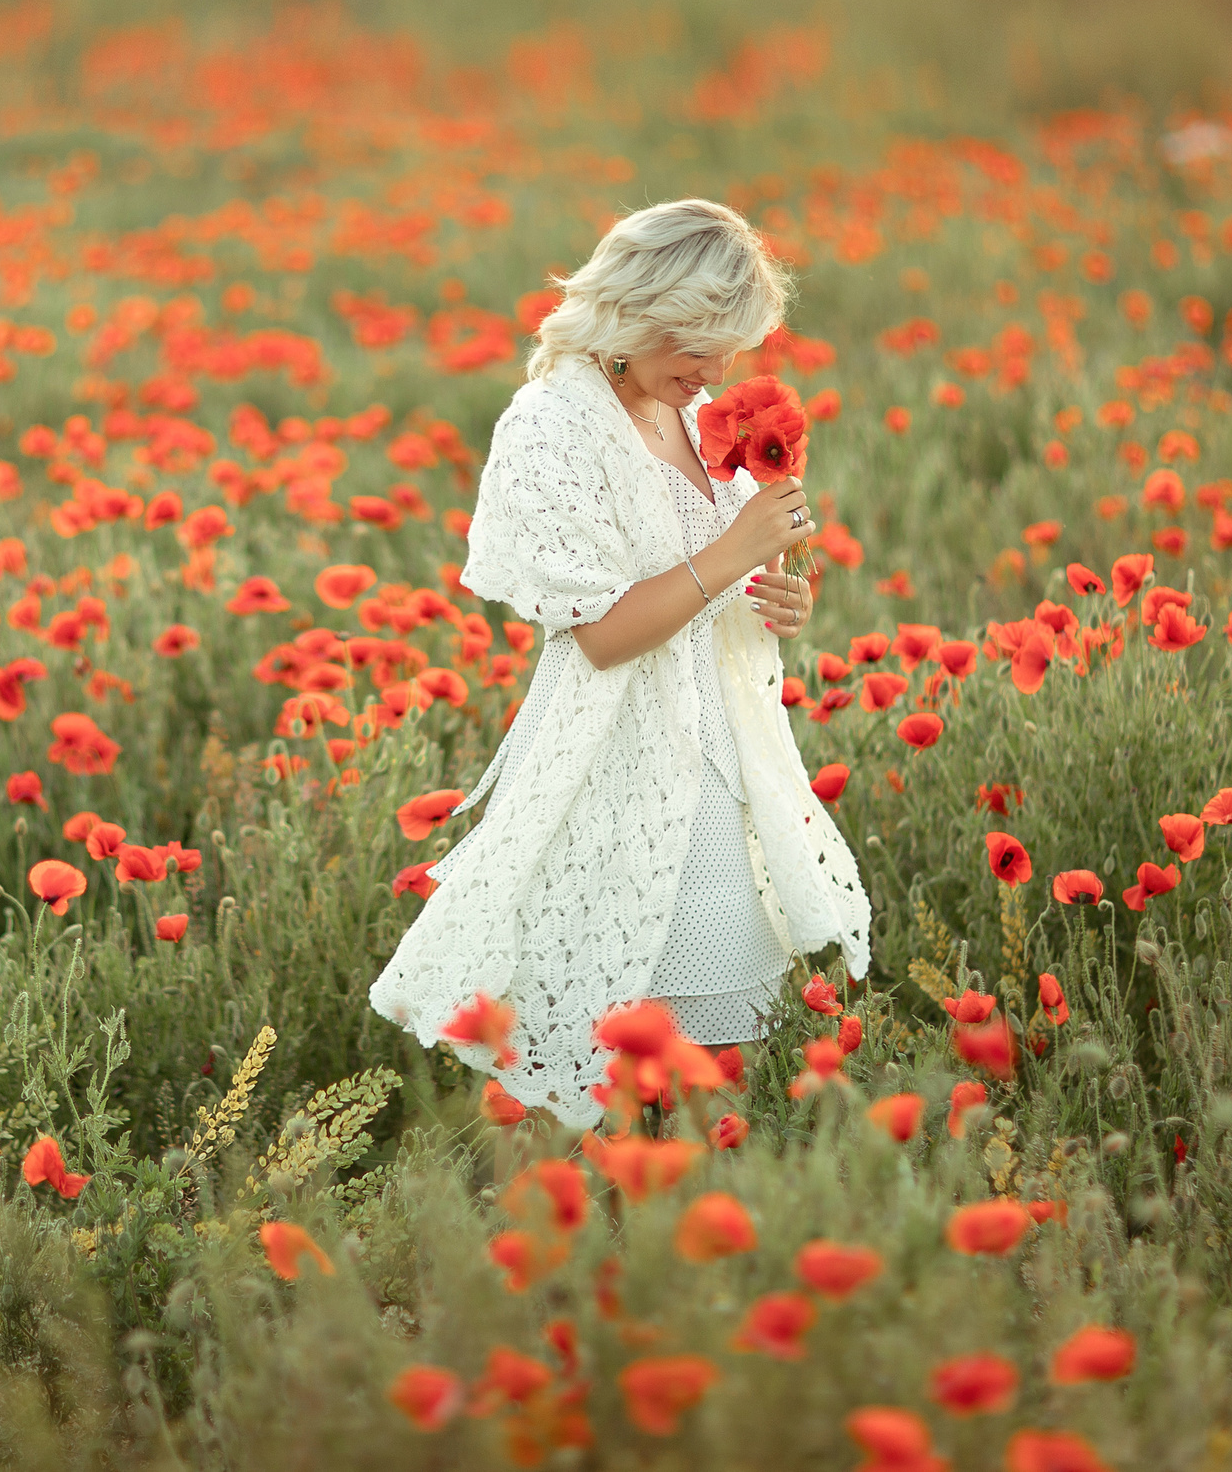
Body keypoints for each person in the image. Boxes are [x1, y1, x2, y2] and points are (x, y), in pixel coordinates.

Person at [367, 198, 872, 1127]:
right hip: (615, 777)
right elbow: (597, 635)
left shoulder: (701, 416)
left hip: (722, 772)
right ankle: (601, 1252)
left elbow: (718, 591)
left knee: (717, 1072)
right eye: (696, 347)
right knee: (612, 1068)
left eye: (731, 350)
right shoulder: (550, 426)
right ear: (636, 314)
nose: (715, 375)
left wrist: (780, 599)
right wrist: (730, 553)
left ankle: (696, 1247)